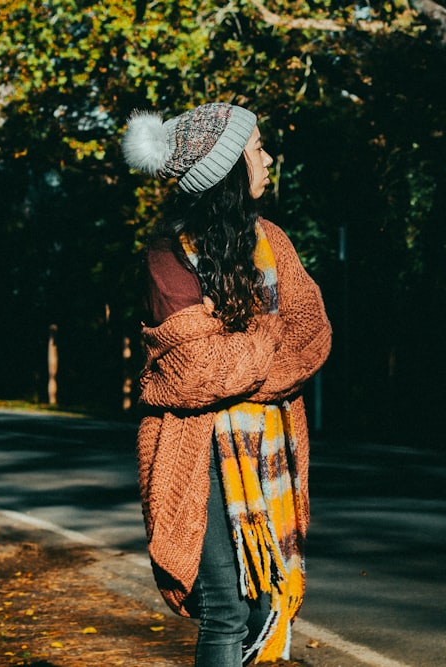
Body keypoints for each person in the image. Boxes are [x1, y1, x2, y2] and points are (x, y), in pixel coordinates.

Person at [122, 101, 333, 666]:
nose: (267, 157)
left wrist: (235, 342)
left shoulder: (274, 242)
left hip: (266, 448)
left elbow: (311, 337)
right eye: (257, 147)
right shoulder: (167, 255)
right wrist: (266, 335)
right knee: (227, 608)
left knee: (265, 607)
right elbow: (195, 373)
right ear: (227, 168)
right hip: (195, 450)